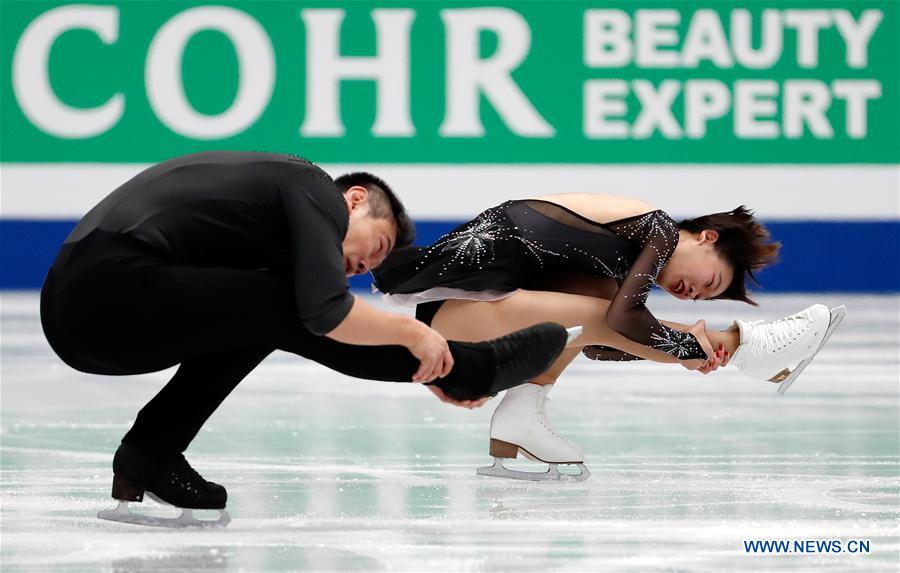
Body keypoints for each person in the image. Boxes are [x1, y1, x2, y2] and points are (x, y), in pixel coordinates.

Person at [39, 152, 575, 526]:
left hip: (88, 313)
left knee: (261, 313)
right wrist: (417, 337)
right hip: (103, 294)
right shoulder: (311, 187)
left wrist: (417, 358)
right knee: (283, 304)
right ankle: (469, 369)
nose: (364, 267)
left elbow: (305, 310)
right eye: (377, 245)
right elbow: (324, 313)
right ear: (355, 199)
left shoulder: (266, 217)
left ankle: (148, 456)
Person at [373, 194, 844, 480]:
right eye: (710, 282)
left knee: (592, 319)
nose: (692, 294)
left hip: (464, 318)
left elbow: (600, 346)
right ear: (707, 238)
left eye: (702, 300)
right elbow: (619, 324)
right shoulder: (655, 229)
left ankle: (520, 416)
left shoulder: (614, 266)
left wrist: (680, 350)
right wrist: (685, 349)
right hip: (447, 315)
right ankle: (747, 347)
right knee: (607, 315)